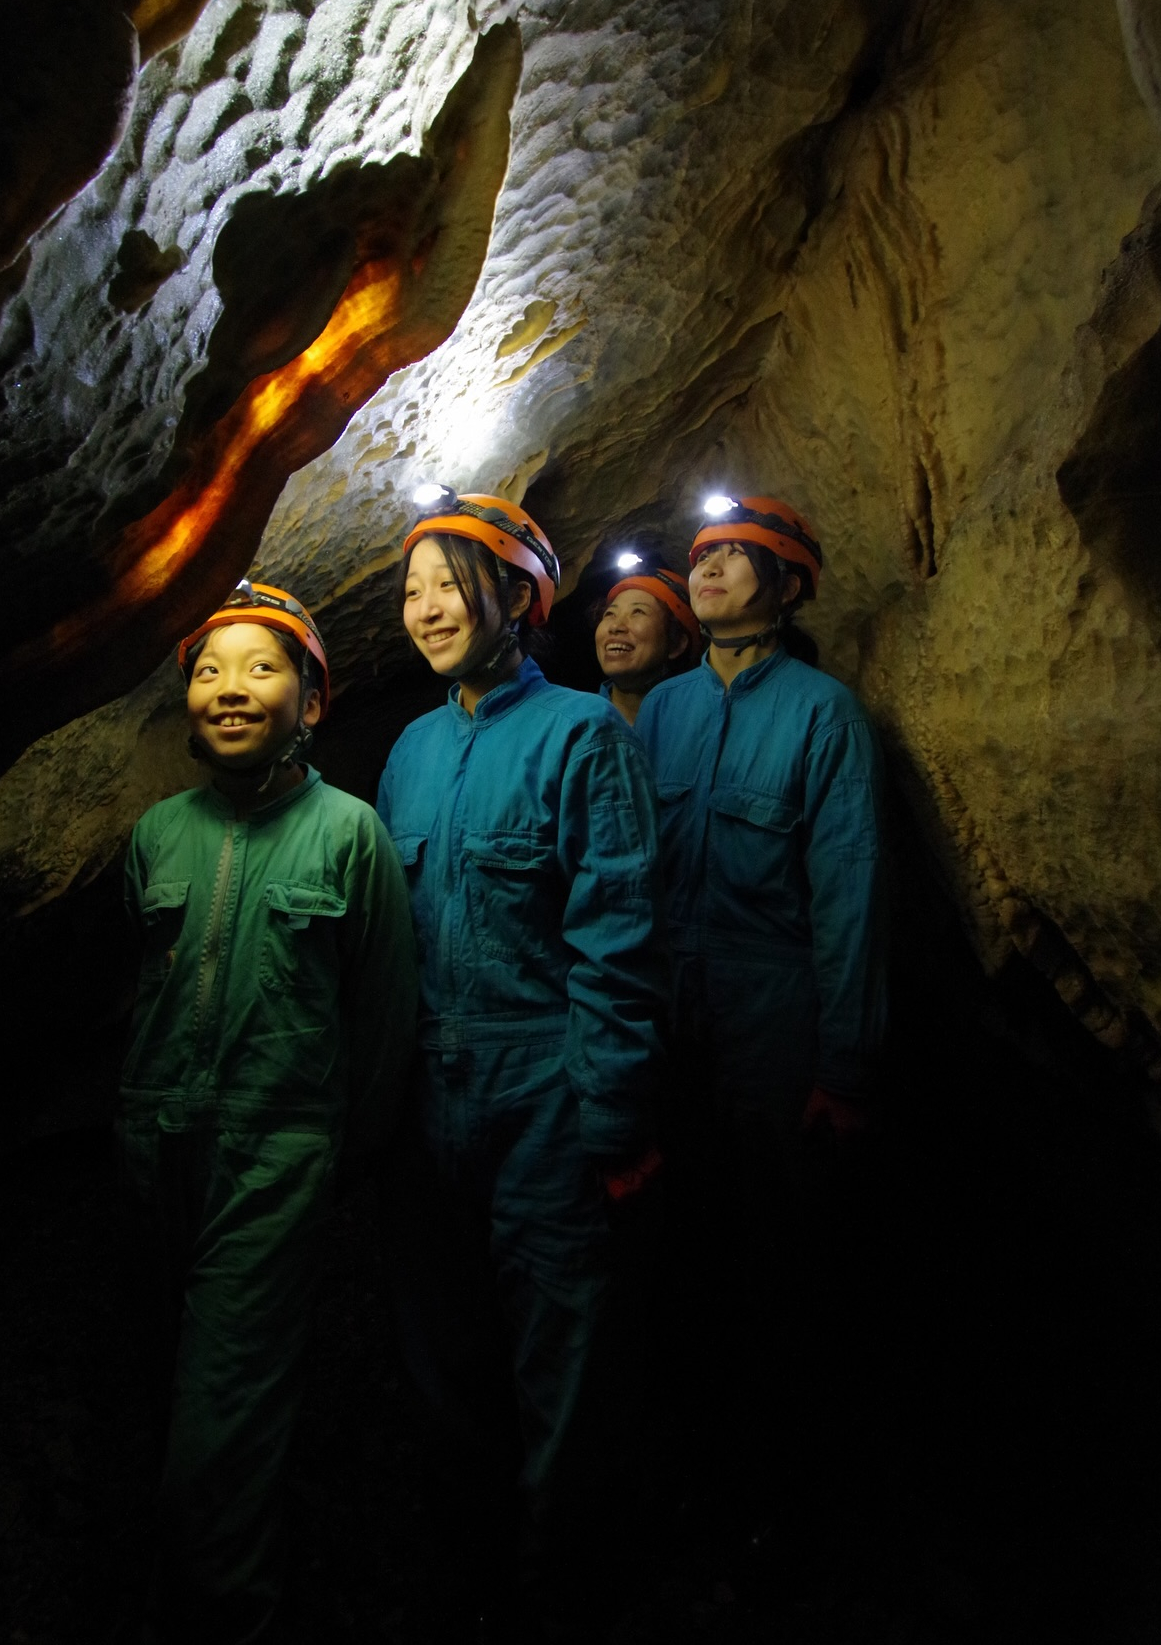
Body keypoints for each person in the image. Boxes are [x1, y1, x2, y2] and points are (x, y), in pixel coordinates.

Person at [376, 491, 667, 1636]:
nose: (426, 608)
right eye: (411, 589)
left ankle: (566, 1585)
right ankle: (466, 1578)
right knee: (441, 1351)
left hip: (542, 1089)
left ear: (518, 599)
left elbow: (619, 936)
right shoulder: (407, 749)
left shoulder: (584, 737)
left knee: (564, 1358)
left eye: (450, 583)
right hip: (427, 1094)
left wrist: (615, 1119)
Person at [119, 578, 418, 1644]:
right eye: (207, 670)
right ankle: (172, 1592)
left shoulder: (349, 836)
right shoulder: (157, 835)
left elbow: (383, 1015)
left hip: (276, 1149)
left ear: (312, 701)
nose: (229, 691)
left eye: (260, 668)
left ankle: (227, 1613)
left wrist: (345, 1152)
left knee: (223, 1424)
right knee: (162, 1386)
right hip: (159, 1147)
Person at [634, 496, 886, 1551]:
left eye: (740, 558)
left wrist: (846, 1065)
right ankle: (688, 1472)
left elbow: (849, 894)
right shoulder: (663, 713)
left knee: (780, 1258)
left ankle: (785, 1497)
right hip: (673, 1015)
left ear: (786, 590)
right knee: (679, 1246)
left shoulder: (824, 715)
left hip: (774, 1011)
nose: (713, 570)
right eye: (705, 557)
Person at [592, 561, 700, 724]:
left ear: (677, 643)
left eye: (638, 612)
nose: (615, 626)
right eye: (610, 614)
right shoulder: (576, 723)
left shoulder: (699, 724)